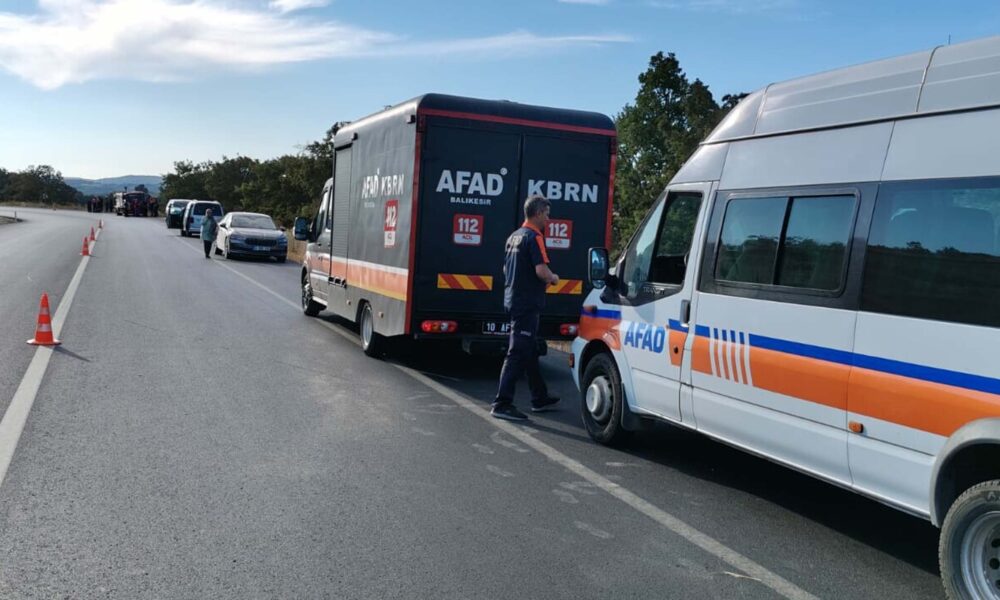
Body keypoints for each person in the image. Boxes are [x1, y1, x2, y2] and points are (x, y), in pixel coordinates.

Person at [492, 195, 561, 421]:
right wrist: (553, 278)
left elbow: (505, 269)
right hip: (527, 304)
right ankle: (502, 403)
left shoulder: (514, 236)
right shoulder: (534, 237)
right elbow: (542, 271)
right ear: (538, 213)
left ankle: (539, 397)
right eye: (547, 214)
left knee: (530, 350)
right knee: (517, 353)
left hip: (514, 300)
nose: (548, 219)